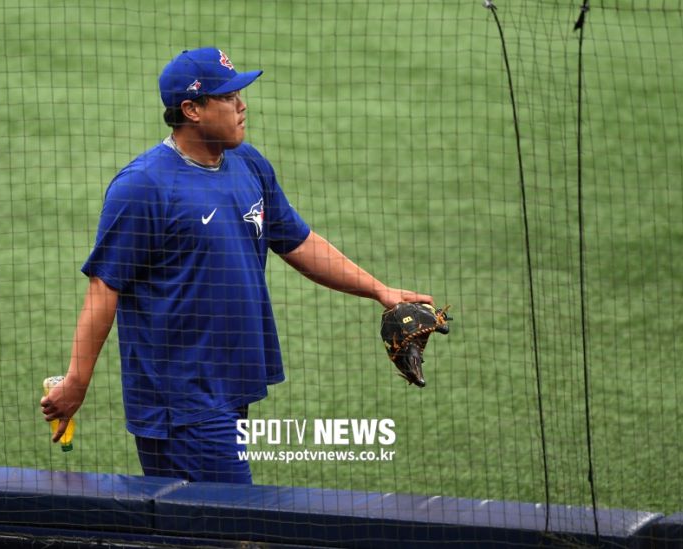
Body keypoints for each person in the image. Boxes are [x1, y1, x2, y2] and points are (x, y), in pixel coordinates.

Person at [40, 47, 433, 483]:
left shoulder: (248, 164)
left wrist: (379, 290)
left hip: (230, 384)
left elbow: (298, 241)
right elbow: (104, 287)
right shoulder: (143, 187)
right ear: (191, 109)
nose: (242, 106)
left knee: (201, 519)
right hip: (180, 401)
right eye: (228, 97)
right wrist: (77, 380)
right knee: (231, 516)